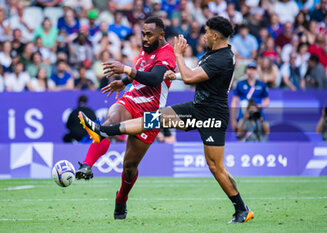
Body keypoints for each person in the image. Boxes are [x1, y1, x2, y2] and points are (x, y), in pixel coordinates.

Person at [78, 16, 254, 223]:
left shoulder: (222, 57)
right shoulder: (214, 54)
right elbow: (196, 75)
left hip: (213, 115)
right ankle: (104, 131)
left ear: (215, 36)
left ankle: (242, 209)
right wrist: (175, 76)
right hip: (198, 108)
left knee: (216, 167)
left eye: (206, 32)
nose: (204, 35)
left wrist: (178, 55)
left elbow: (190, 78)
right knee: (155, 119)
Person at [74, 16, 177, 219]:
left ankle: (121, 198)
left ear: (161, 35)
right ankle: (87, 166)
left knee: (129, 167)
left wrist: (126, 70)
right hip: (130, 100)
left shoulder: (167, 54)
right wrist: (123, 81)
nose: (145, 38)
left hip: (151, 114)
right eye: (143, 34)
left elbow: (155, 78)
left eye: (149, 35)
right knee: (108, 124)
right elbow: (139, 72)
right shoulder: (146, 48)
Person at [230, 62, 269, 131]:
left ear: (256, 71)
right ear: (246, 70)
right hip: (243, 115)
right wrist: (233, 119)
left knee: (262, 134)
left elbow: (267, 101)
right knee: (241, 136)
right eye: (249, 69)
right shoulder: (240, 84)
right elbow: (234, 101)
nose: (251, 71)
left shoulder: (262, 84)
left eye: (253, 69)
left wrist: (259, 106)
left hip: (258, 115)